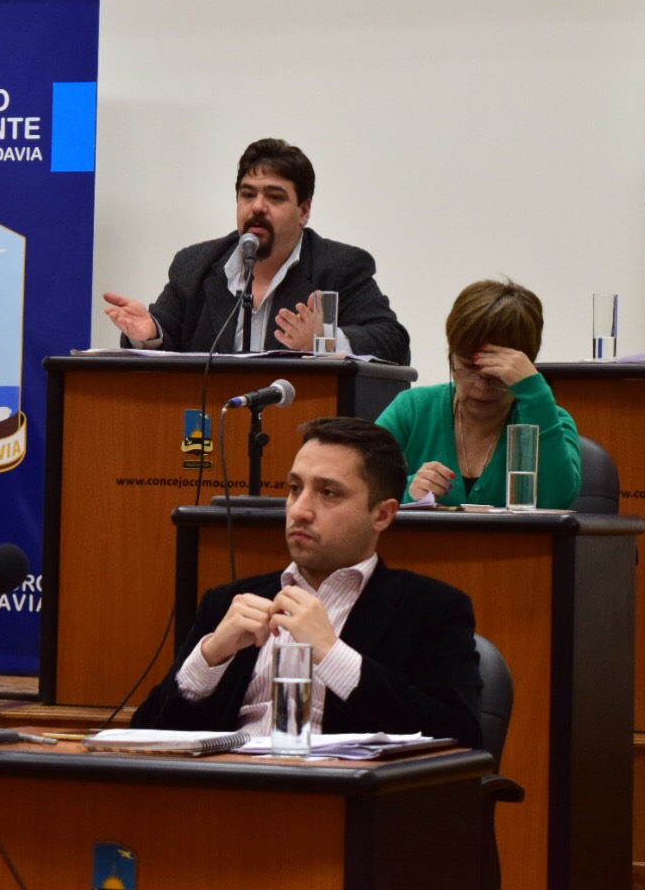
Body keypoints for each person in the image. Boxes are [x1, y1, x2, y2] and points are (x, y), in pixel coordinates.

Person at [131, 416, 483, 748]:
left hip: (340, 787)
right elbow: (145, 742)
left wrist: (332, 654)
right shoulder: (227, 602)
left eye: (328, 492)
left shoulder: (431, 609)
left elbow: (461, 739)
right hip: (228, 784)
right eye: (295, 488)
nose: (299, 510)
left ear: (382, 514)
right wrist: (209, 658)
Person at [101, 138, 411, 364]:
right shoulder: (195, 265)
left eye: (275, 197)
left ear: (304, 211)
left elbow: (394, 342)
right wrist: (149, 334)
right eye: (247, 195)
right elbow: (166, 339)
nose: (258, 207)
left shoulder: (340, 267)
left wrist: (324, 342)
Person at [376, 279, 581, 509]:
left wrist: (535, 391)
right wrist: (407, 490)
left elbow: (558, 500)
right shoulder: (412, 409)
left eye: (496, 376)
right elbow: (359, 485)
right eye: (468, 369)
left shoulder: (551, 419)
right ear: (452, 356)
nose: (481, 389)